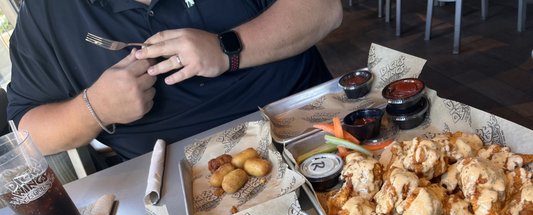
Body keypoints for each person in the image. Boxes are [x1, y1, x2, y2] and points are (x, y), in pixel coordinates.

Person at [7, 0, 343, 161]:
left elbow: (324, 9)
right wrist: (94, 109)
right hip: (176, 190)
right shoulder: (47, 13)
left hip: (311, 135)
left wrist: (226, 49)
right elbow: (28, 130)